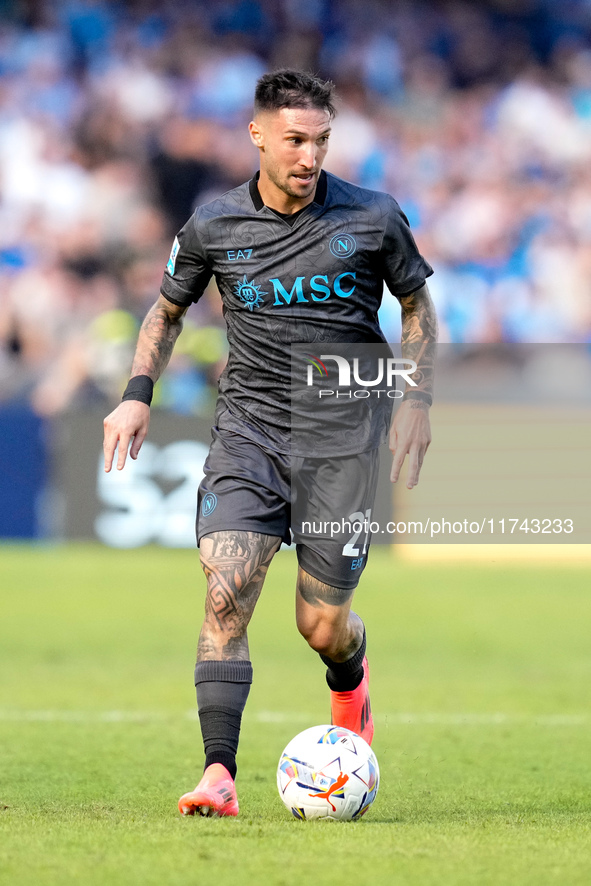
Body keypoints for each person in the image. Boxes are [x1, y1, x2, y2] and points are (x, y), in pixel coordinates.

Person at [103, 69, 437, 818]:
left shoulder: (373, 217)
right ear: (256, 135)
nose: (309, 156)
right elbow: (165, 312)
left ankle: (350, 683)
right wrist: (134, 397)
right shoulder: (212, 225)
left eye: (321, 141)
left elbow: (416, 304)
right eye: (294, 140)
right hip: (248, 431)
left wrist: (416, 396)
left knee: (320, 625)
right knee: (225, 595)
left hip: (342, 441)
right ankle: (218, 775)